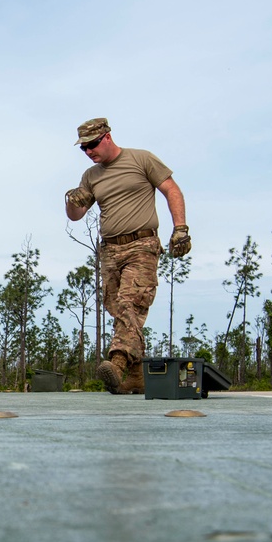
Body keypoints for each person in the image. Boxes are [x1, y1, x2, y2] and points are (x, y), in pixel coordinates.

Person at [65, 117, 191, 394]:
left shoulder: (141, 159)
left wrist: (180, 228)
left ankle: (118, 362)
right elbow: (76, 216)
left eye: (93, 145)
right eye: (83, 148)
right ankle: (137, 377)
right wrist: (71, 202)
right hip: (109, 250)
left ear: (107, 137)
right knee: (119, 309)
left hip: (142, 245)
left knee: (129, 303)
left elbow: (172, 189)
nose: (89, 152)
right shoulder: (91, 176)